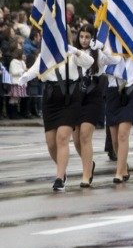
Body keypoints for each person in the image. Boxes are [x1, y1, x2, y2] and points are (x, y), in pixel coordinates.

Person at [20, 44, 93, 191]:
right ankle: (62, 170)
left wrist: (76, 52)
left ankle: (59, 178)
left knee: (62, 137)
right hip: (50, 98)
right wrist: (25, 77)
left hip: (70, 98)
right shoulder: (45, 54)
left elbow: (89, 62)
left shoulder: (70, 53)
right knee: (51, 143)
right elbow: (36, 68)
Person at [72, 25, 104, 187]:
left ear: (92, 38)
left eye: (87, 37)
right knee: (76, 139)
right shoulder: (74, 53)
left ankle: (86, 175)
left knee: (85, 135)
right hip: (76, 96)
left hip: (93, 96)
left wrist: (102, 47)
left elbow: (115, 59)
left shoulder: (98, 55)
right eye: (81, 36)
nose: (84, 40)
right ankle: (89, 164)